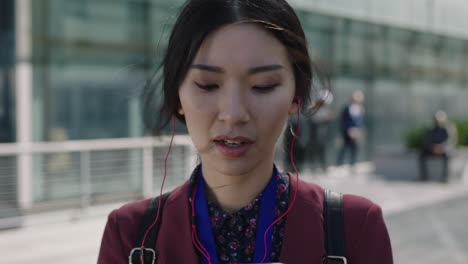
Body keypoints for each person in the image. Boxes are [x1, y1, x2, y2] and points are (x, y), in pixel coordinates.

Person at [98, 1, 393, 263]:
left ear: (296, 96)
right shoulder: (130, 234)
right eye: (207, 85)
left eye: (263, 86)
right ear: (177, 97)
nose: (234, 114)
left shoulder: (355, 227)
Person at [419, 110, 456, 182]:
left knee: (448, 155)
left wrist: (442, 147)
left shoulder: (448, 128)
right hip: (432, 149)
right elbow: (427, 140)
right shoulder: (430, 128)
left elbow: (451, 140)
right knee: (422, 154)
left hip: (444, 149)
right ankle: (424, 176)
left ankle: (445, 177)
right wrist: (433, 147)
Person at [307, 90, 335, 173]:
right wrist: (325, 117)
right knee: (315, 150)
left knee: (322, 150)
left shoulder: (323, 108)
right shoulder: (314, 107)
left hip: (322, 134)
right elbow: (314, 119)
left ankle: (323, 166)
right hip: (315, 134)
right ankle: (313, 166)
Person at [337, 90, 365, 167]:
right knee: (344, 148)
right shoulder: (346, 108)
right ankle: (340, 164)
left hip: (356, 133)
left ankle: (352, 165)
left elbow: (360, 121)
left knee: (354, 149)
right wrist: (349, 130)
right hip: (347, 132)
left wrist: (358, 130)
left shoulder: (361, 109)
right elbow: (344, 121)